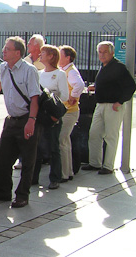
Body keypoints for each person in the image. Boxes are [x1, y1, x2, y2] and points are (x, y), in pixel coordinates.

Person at [0, 36, 42, 208]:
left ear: (18, 52)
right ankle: (3, 191)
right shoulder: (3, 67)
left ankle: (22, 195)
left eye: (7, 49)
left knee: (27, 161)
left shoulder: (29, 70)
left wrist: (31, 121)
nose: (4, 50)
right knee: (3, 159)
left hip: (26, 118)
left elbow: (34, 97)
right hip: (11, 120)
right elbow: (1, 81)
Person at [82, 41, 136, 174]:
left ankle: (108, 166)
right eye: (100, 52)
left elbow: (131, 86)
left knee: (111, 136)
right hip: (100, 104)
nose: (102, 54)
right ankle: (95, 163)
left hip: (113, 106)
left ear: (112, 52)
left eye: (105, 52)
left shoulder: (119, 67)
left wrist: (120, 102)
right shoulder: (103, 67)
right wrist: (95, 87)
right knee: (94, 134)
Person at [32, 44, 69, 190]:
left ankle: (55, 178)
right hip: (40, 114)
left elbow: (65, 95)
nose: (40, 55)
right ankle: (34, 177)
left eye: (43, 53)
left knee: (53, 147)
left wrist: (51, 94)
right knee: (37, 148)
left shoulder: (59, 74)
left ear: (51, 56)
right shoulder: (39, 73)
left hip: (52, 114)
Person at [58, 45, 84, 182]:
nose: (58, 57)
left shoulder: (71, 71)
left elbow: (80, 85)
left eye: (60, 55)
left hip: (69, 112)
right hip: (68, 111)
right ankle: (68, 172)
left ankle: (64, 173)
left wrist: (73, 96)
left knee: (62, 141)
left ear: (68, 57)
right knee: (65, 142)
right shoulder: (66, 70)